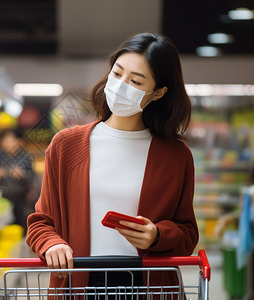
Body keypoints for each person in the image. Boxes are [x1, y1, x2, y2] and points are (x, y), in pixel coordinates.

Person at [26, 33, 199, 298]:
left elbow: (187, 234)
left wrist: (156, 236)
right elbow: (41, 222)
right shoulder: (66, 145)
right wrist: (51, 244)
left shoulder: (176, 156)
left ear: (159, 93)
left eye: (135, 81)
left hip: (149, 285)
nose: (120, 85)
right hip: (80, 281)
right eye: (117, 74)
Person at [0, 128, 35, 231]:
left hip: (19, 200)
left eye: (10, 140)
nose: (7, 143)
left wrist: (22, 174)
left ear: (18, 141)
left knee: (19, 227)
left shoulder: (25, 157)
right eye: (5, 140)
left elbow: (32, 177)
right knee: (2, 228)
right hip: (1, 198)